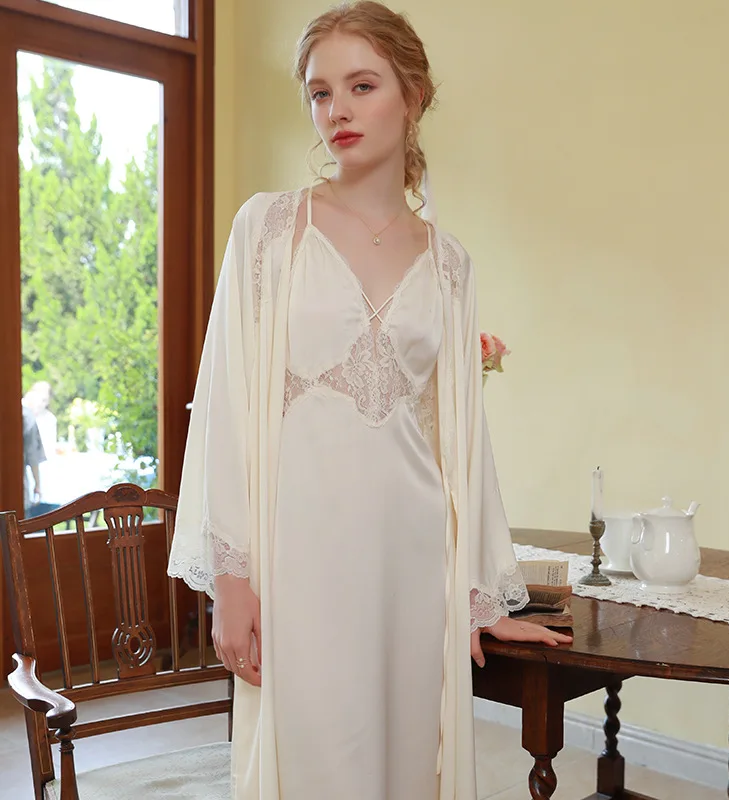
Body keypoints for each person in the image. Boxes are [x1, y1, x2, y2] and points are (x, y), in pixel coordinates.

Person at [167, 3, 572, 798]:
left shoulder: (450, 265)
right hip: (299, 557)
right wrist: (232, 579)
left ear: (413, 96)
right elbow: (225, 406)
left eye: (362, 85)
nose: (337, 111)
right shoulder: (269, 229)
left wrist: (477, 596)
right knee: (313, 760)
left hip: (411, 564)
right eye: (320, 93)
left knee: (403, 762)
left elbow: (460, 440)